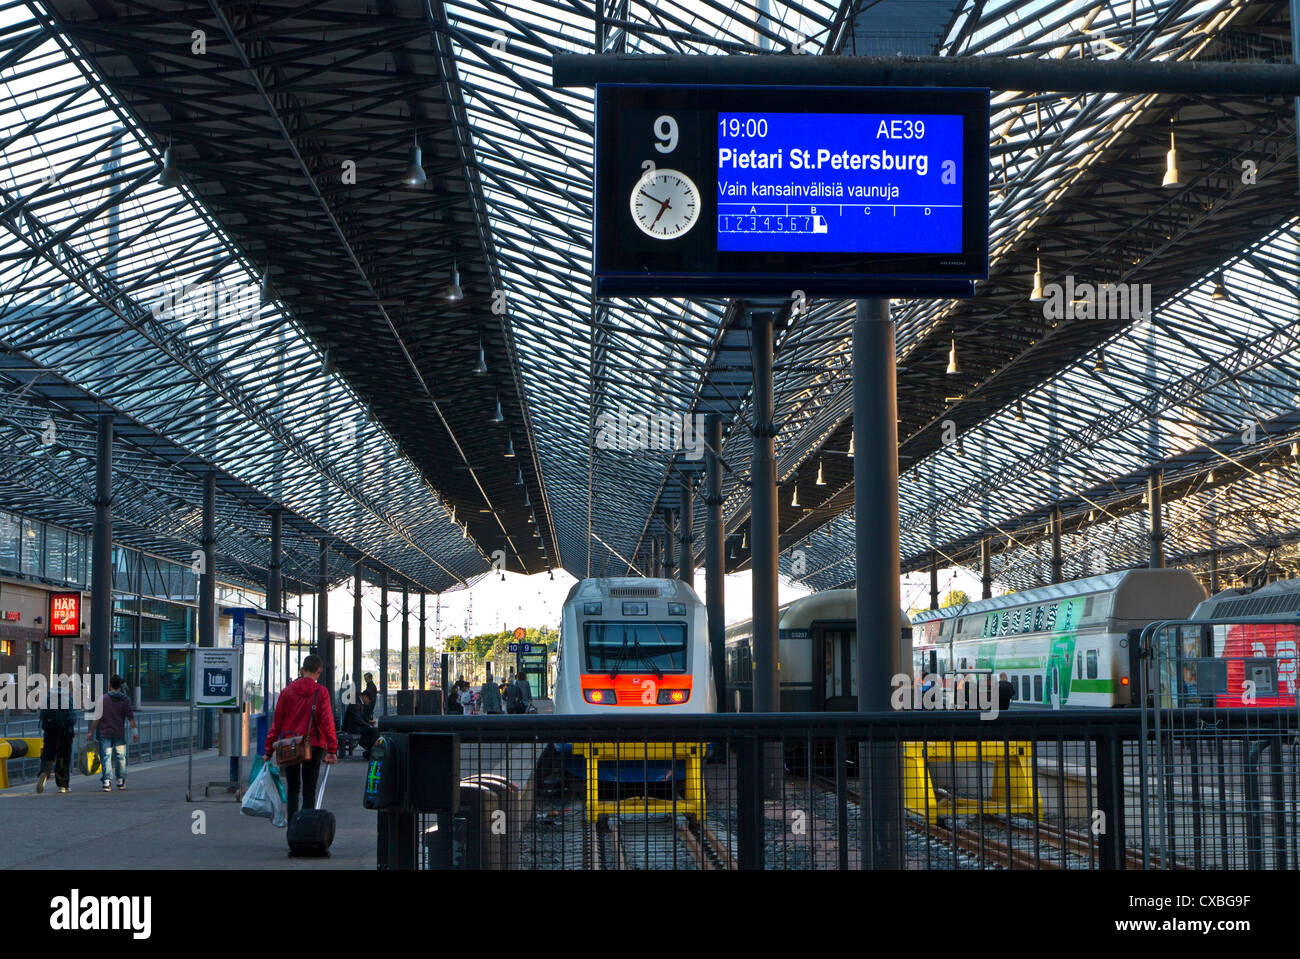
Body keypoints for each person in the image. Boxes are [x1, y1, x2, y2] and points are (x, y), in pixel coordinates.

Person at [265, 654, 338, 821]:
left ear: (301, 670)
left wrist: (268, 751)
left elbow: (276, 724)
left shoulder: (287, 692)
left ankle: (292, 829)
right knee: (309, 790)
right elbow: (327, 722)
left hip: (290, 745)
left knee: (293, 788)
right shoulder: (321, 692)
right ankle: (306, 829)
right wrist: (332, 749)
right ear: (318, 672)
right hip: (313, 745)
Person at [88, 675, 137, 792]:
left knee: (106, 757)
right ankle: (120, 780)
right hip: (119, 732)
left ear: (109, 685)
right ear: (120, 686)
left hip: (105, 732)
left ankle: (107, 781)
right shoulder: (125, 700)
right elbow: (131, 718)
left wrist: (91, 731)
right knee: (121, 757)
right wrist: (135, 733)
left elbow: (96, 717)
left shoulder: (103, 699)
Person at [36, 685, 76, 794]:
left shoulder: (48, 697)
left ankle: (44, 772)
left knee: (48, 754)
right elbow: (73, 718)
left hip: (50, 730)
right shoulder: (68, 698)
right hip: (65, 732)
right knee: (63, 757)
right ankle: (63, 785)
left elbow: (42, 715)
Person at [342, 691, 379, 759]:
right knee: (374, 732)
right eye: (369, 700)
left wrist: (368, 722)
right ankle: (369, 752)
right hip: (353, 728)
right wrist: (368, 724)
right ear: (364, 696)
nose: (369, 702)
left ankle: (369, 751)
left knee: (374, 731)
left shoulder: (358, 702)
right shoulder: (356, 703)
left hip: (356, 726)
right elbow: (357, 718)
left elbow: (359, 718)